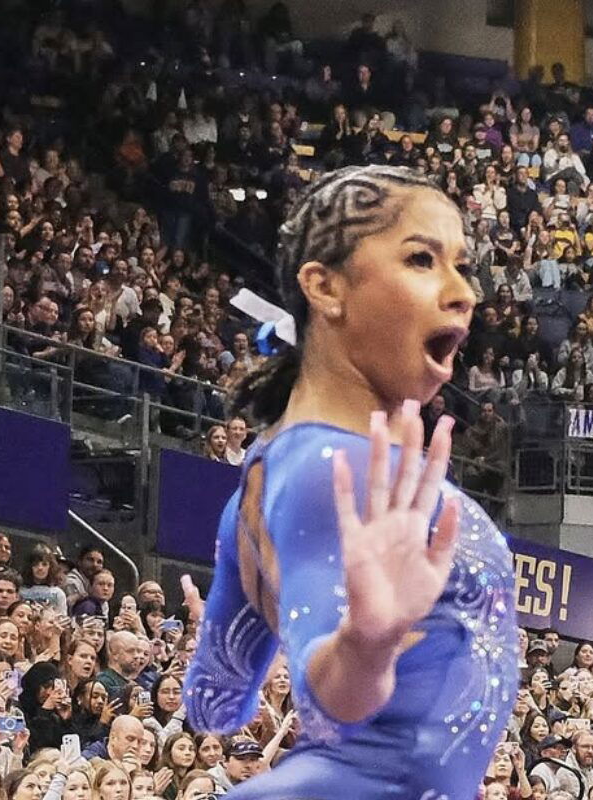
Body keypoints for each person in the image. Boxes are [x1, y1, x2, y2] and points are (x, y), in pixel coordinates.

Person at [183, 165, 518, 799]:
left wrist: (232, 642)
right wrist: (367, 643)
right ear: (325, 287)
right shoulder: (335, 470)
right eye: (422, 259)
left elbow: (214, 705)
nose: (463, 293)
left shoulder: (269, 470)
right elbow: (330, 703)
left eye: (462, 266)